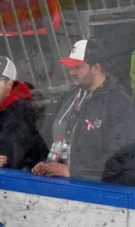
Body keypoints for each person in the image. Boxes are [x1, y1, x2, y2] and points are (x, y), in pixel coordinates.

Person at [32, 39, 135, 182]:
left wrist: (74, 172)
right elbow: (58, 138)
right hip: (64, 182)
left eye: (78, 67)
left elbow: (119, 154)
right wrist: (47, 162)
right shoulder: (70, 95)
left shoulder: (118, 101)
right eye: (70, 67)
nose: (72, 72)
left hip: (99, 189)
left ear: (96, 68)